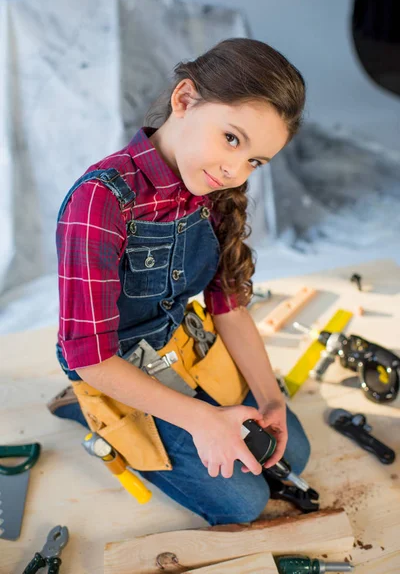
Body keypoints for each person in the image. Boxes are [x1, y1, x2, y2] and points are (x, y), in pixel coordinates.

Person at [51, 37, 310, 525]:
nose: (236, 171)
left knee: (292, 450)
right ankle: (87, 411)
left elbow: (227, 308)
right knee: (245, 502)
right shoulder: (100, 201)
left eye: (255, 161)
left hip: (183, 347)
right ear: (185, 99)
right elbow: (89, 356)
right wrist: (203, 420)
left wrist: (270, 396)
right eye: (232, 138)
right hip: (115, 369)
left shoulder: (211, 185)